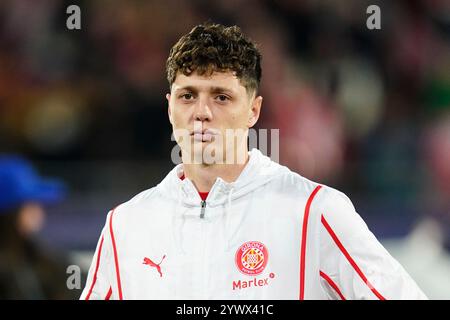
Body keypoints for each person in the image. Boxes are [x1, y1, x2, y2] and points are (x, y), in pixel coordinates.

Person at [80, 22, 427, 300]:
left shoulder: (313, 213)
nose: (202, 112)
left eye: (221, 97)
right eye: (188, 96)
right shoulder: (126, 226)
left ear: (253, 110)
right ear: (170, 105)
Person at [0, 155, 77, 299]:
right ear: (9, 212)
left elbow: (73, 276)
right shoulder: (9, 265)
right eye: (30, 204)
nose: (38, 212)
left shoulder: (34, 254)